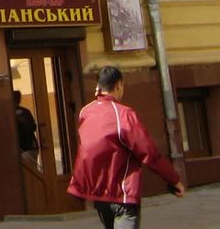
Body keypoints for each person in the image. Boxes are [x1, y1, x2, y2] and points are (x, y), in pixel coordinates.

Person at [68, 65, 185, 228]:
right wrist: (173, 180)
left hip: (99, 196)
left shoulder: (86, 112)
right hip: (123, 195)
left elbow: (86, 150)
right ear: (118, 85)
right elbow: (148, 152)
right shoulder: (123, 114)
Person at [14, 90, 40, 162]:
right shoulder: (25, 111)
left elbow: (32, 127)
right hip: (28, 147)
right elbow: (33, 127)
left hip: (27, 147)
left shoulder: (11, 113)